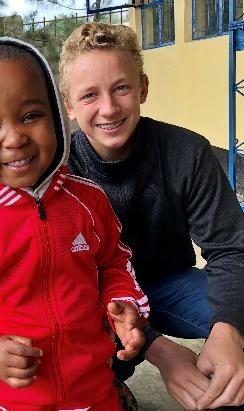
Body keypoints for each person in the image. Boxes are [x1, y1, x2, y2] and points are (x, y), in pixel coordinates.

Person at [0, 37, 151, 410]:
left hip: (93, 392)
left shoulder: (89, 202)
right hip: (4, 401)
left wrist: (123, 302)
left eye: (30, 116)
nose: (15, 138)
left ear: (57, 118)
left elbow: (114, 262)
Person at [61, 22, 244, 410]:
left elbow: (230, 248)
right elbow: (63, 284)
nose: (109, 108)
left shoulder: (186, 151)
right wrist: (160, 350)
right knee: (67, 333)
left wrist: (229, 329)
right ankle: (109, 384)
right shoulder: (59, 174)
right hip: (96, 299)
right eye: (90, 95)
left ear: (143, 87)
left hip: (168, 283)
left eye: (121, 88)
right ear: (69, 106)